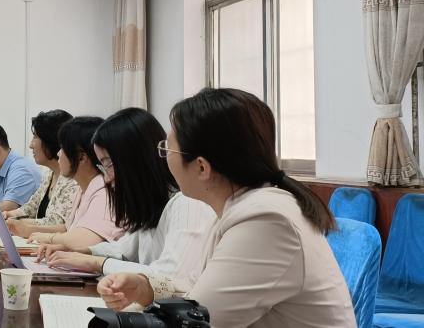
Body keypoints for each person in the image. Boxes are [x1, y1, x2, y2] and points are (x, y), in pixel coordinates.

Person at [97, 89, 355, 327]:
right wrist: (146, 287)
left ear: (201, 167)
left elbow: (199, 319)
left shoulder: (265, 220)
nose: (164, 160)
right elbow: (201, 287)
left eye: (167, 150)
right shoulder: (242, 207)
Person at [35, 108, 215, 286]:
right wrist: (81, 252)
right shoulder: (152, 206)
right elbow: (124, 248)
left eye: (108, 165)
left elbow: (171, 277)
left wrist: (96, 262)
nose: (107, 178)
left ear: (133, 162)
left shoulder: (188, 204)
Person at [25, 116, 122, 248]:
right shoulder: (84, 188)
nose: (58, 154)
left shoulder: (103, 190)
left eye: (63, 148)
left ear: (81, 157)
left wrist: (49, 238)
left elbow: (84, 240)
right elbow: (68, 229)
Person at [0, 110, 78, 237]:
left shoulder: (74, 180)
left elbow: (56, 223)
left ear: (50, 140)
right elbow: (29, 208)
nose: (30, 145)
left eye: (35, 137)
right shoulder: (48, 174)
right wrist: (6, 215)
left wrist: (9, 223)